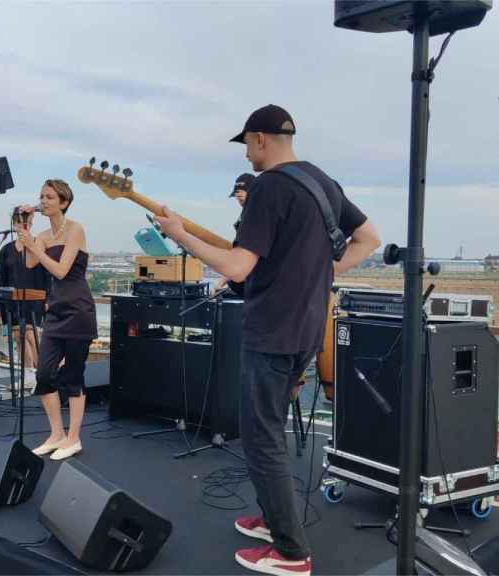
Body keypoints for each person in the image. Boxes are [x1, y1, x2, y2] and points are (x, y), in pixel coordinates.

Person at [156, 104, 381, 575]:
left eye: (246, 145)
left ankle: (292, 554)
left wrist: (180, 234)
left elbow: (237, 267)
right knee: (271, 431)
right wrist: (326, 272)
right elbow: (369, 238)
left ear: (259, 139)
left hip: (273, 331)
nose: (246, 156)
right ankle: (274, 520)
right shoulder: (323, 182)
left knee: (262, 439)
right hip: (307, 330)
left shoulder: (268, 188)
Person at [16, 179, 97, 461]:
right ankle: (56, 434)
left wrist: (36, 248)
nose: (44, 201)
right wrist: (25, 231)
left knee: (73, 376)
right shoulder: (43, 235)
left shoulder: (75, 229)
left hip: (78, 309)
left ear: (64, 202)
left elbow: (61, 271)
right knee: (44, 374)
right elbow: (29, 263)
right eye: (42, 196)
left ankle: (73, 438)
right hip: (56, 309)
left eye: (50, 197)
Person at [0, 210, 51, 387]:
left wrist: (49, 299)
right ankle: (28, 374)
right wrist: (0, 302)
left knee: (30, 334)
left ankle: (40, 373)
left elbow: (48, 275)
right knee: (18, 337)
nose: (23, 225)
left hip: (35, 299)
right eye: (19, 222)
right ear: (14, 224)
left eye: (27, 221)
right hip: (12, 301)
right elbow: (2, 278)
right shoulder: (6, 250)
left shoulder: (38, 244)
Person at [216, 172, 256, 295]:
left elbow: (248, 256)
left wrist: (222, 281)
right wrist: (222, 281)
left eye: (243, 191)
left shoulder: (258, 217)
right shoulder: (244, 217)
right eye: (236, 194)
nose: (238, 196)